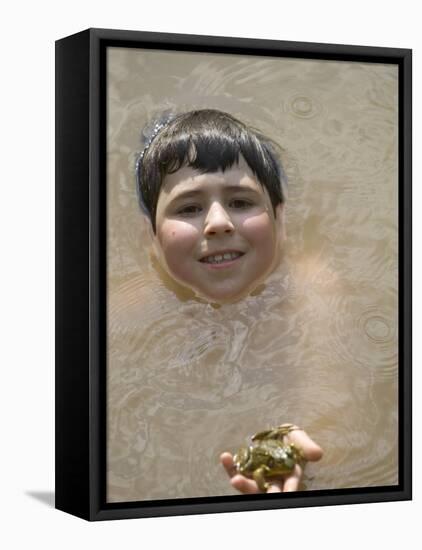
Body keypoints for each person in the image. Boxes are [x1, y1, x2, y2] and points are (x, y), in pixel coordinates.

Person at [136, 108, 323, 493]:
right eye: (189, 208)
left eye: (240, 202)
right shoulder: (126, 311)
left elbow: (329, 389)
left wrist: (297, 443)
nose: (218, 222)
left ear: (281, 221)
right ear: (150, 238)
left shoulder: (314, 290)